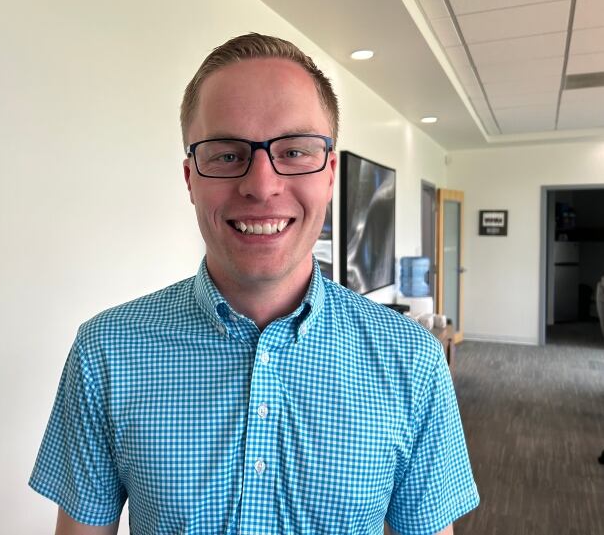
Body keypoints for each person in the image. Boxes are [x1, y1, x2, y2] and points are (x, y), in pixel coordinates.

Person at [30, 33, 479, 535]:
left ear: (330, 174)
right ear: (189, 179)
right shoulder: (105, 353)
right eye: (225, 155)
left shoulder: (412, 361)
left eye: (294, 151)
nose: (261, 185)